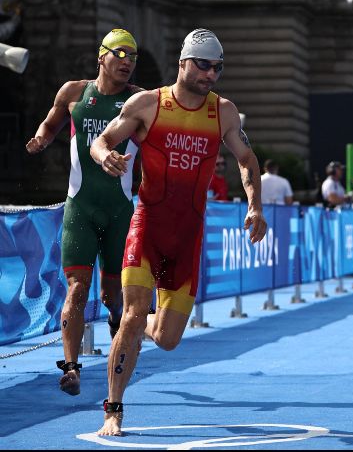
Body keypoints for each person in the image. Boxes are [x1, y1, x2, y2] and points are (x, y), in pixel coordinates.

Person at [89, 28, 267, 436]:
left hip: (187, 236)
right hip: (147, 225)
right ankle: (113, 409)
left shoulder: (223, 112)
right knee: (134, 317)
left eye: (217, 68)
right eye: (203, 65)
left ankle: (136, 323)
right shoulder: (148, 103)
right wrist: (106, 158)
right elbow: (102, 139)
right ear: (183, 62)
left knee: (167, 340)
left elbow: (246, 158)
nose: (210, 74)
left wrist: (255, 205)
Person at [25, 28, 142, 396]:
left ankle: (112, 317)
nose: (127, 63)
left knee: (111, 295)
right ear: (101, 57)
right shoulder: (74, 93)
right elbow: (51, 122)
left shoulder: (139, 101)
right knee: (76, 288)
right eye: (120, 55)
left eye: (132, 57)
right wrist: (42, 138)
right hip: (80, 206)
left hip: (120, 210)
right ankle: (72, 367)